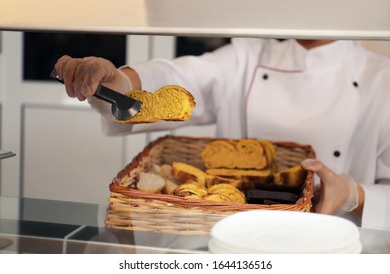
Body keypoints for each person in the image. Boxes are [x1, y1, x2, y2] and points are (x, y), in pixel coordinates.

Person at [54, 38, 390, 230]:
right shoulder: (246, 57)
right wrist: (120, 84)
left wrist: (353, 194)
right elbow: (176, 78)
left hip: (335, 249)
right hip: (236, 246)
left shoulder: (381, 78)